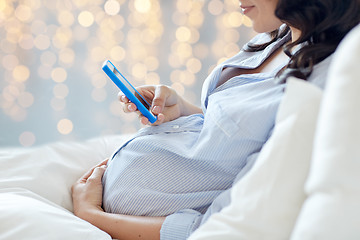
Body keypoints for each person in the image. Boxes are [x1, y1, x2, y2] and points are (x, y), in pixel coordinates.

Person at [72, 0, 360, 239]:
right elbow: (238, 141)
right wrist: (183, 109)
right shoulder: (280, 34)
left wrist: (92, 216)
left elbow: (218, 224)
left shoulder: (322, 84)